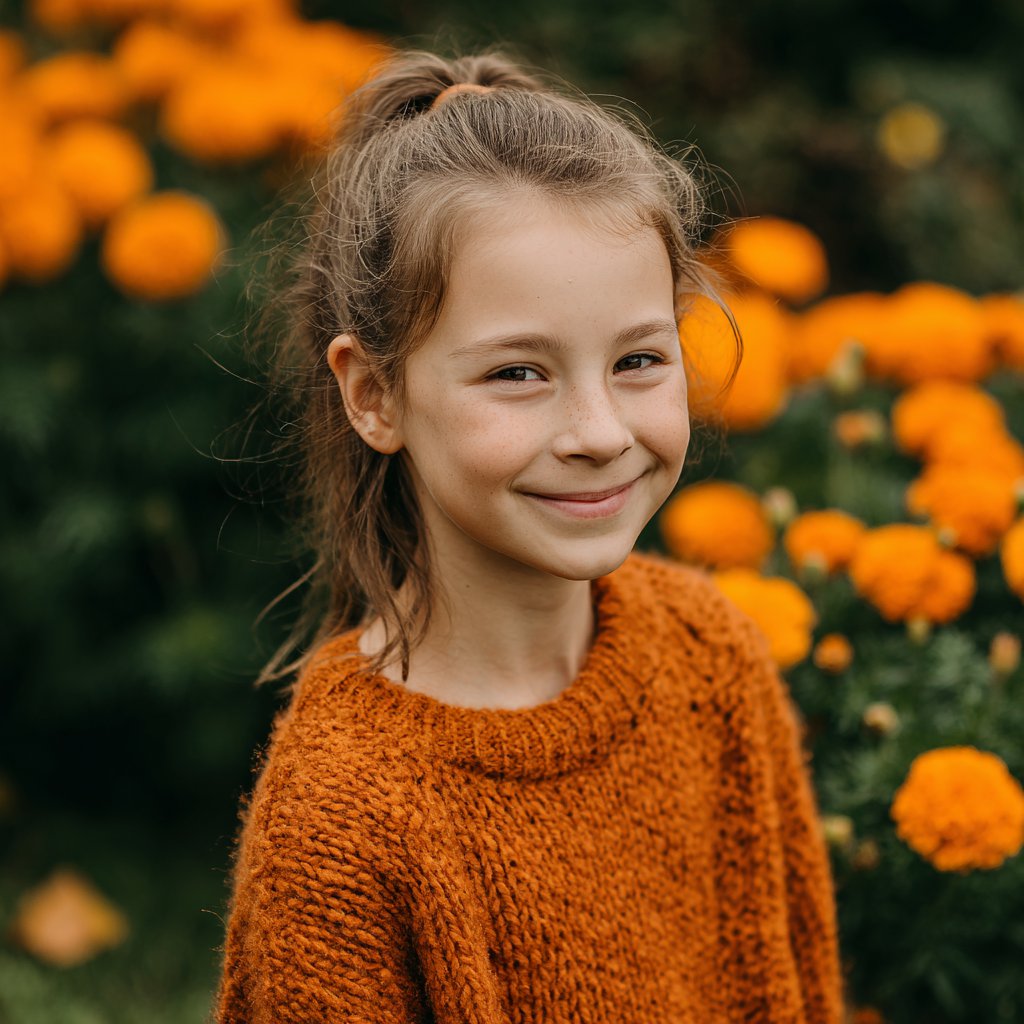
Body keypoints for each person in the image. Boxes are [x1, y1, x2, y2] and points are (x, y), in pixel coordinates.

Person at [213, 47, 844, 1024]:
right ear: (374, 395)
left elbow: (794, 991)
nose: (598, 432)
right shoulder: (342, 806)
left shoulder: (712, 655)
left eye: (638, 358)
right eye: (518, 373)